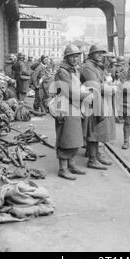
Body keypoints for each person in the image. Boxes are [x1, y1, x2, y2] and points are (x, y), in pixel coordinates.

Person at [80, 44, 117, 170]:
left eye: (102, 53)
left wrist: (108, 84)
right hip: (92, 101)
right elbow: (95, 86)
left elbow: (102, 81)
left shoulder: (97, 66)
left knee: (98, 128)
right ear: (91, 54)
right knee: (93, 130)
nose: (100, 55)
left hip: (99, 100)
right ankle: (92, 159)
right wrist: (111, 88)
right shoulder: (87, 67)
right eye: (97, 53)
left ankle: (95, 155)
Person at [53, 44, 87, 180]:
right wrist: (86, 95)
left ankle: (71, 164)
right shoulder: (63, 72)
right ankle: (63, 168)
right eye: (72, 56)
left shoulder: (73, 70)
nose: (75, 59)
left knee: (74, 137)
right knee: (64, 138)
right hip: (64, 107)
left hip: (73, 107)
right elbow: (70, 92)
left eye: (77, 56)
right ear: (66, 58)